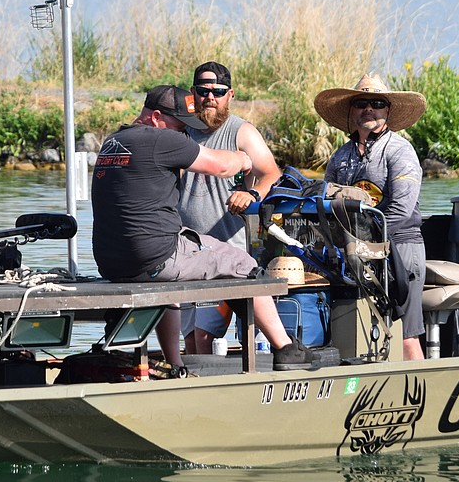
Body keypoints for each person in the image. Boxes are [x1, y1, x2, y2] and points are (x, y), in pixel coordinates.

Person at [91, 84, 319, 371]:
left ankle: (175, 365)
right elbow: (221, 166)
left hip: (111, 262)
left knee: (167, 288)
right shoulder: (161, 139)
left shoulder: (114, 141)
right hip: (158, 254)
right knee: (244, 263)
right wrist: (244, 159)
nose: (184, 134)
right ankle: (286, 348)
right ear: (156, 116)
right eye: (179, 126)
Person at [314, 74, 428, 360]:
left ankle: (422, 392)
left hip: (401, 245)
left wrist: (367, 240)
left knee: (405, 334)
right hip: (354, 252)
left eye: (377, 103)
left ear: (387, 110)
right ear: (351, 111)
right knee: (361, 328)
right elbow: (325, 204)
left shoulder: (399, 150)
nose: (369, 108)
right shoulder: (340, 157)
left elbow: (402, 209)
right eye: (361, 102)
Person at [177, 61, 282, 354]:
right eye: (203, 90)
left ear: (230, 95)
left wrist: (251, 193)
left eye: (218, 91)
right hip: (184, 252)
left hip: (226, 252)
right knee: (189, 343)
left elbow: (271, 173)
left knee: (203, 336)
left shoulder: (242, 131)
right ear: (193, 93)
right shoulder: (181, 131)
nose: (210, 97)